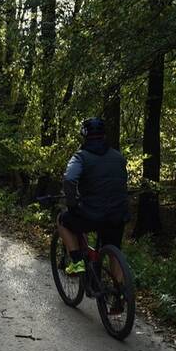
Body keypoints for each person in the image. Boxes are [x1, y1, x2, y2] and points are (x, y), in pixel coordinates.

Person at [59, 117, 129, 277]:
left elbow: (69, 179)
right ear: (104, 136)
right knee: (114, 250)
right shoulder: (119, 157)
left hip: (92, 214)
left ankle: (77, 261)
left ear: (84, 136)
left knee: (62, 220)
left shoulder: (81, 157)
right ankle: (121, 294)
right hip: (118, 213)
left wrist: (72, 204)